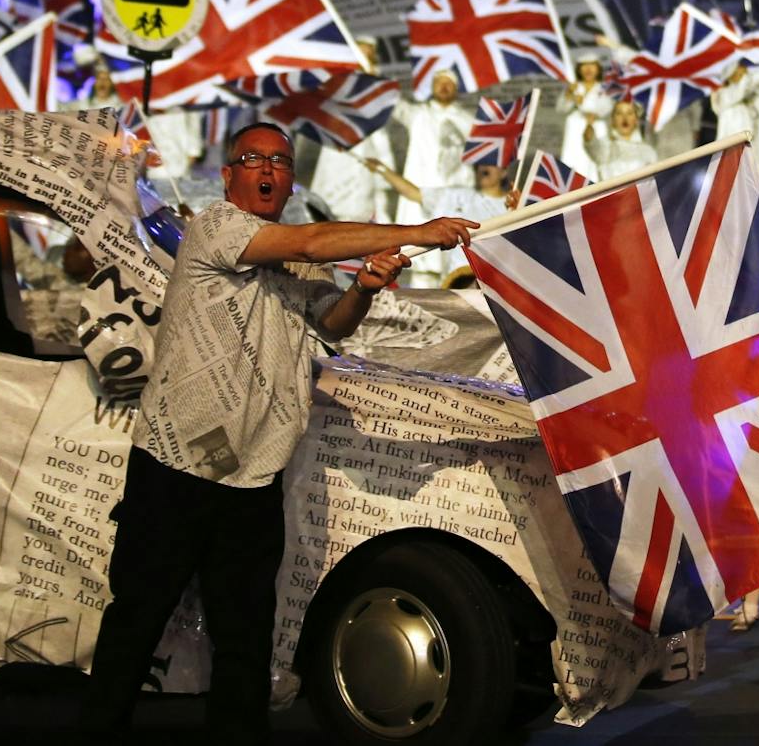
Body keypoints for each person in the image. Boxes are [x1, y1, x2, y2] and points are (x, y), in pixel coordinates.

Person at [80, 121, 479, 738]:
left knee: (245, 638)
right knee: (137, 617)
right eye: (253, 158)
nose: (267, 170)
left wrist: (365, 291)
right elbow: (319, 241)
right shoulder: (217, 226)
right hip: (175, 466)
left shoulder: (297, 261)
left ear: (290, 181)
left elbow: (335, 324)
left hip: (252, 476)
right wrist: (419, 232)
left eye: (281, 162)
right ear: (230, 174)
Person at [360, 155, 511, 286]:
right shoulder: (455, 196)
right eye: (480, 163)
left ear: (504, 172)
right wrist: (382, 169)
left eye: (491, 162)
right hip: (455, 281)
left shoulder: (513, 205)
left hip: (493, 281)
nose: (484, 167)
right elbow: (414, 193)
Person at [392, 71, 474, 282]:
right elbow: (391, 102)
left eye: (449, 83)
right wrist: (370, 76)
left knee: (454, 268)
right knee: (422, 267)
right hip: (420, 199)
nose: (444, 87)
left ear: (456, 88)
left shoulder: (469, 120)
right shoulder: (417, 114)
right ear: (432, 86)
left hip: (454, 199)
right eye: (439, 83)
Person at [556, 55, 614, 180]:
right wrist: (569, 95)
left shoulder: (604, 88)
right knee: (574, 161)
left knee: (594, 162)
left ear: (598, 69)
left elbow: (607, 108)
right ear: (579, 69)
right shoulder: (574, 87)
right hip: (576, 127)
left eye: (592, 65)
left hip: (595, 127)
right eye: (584, 65)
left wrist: (588, 106)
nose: (588, 69)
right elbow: (560, 109)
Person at [586, 97, 657, 181]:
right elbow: (591, 142)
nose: (625, 118)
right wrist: (589, 125)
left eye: (629, 113)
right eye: (619, 113)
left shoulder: (648, 151)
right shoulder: (605, 145)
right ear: (612, 119)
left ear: (636, 119)